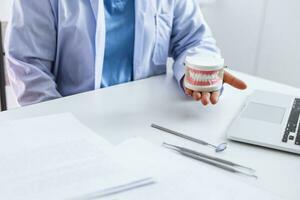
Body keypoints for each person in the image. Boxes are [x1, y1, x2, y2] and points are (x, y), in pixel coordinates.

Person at [5, 0, 246, 106]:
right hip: (72, 121)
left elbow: (194, 39)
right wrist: (61, 126)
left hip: (145, 122)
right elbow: (28, 65)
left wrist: (200, 73)